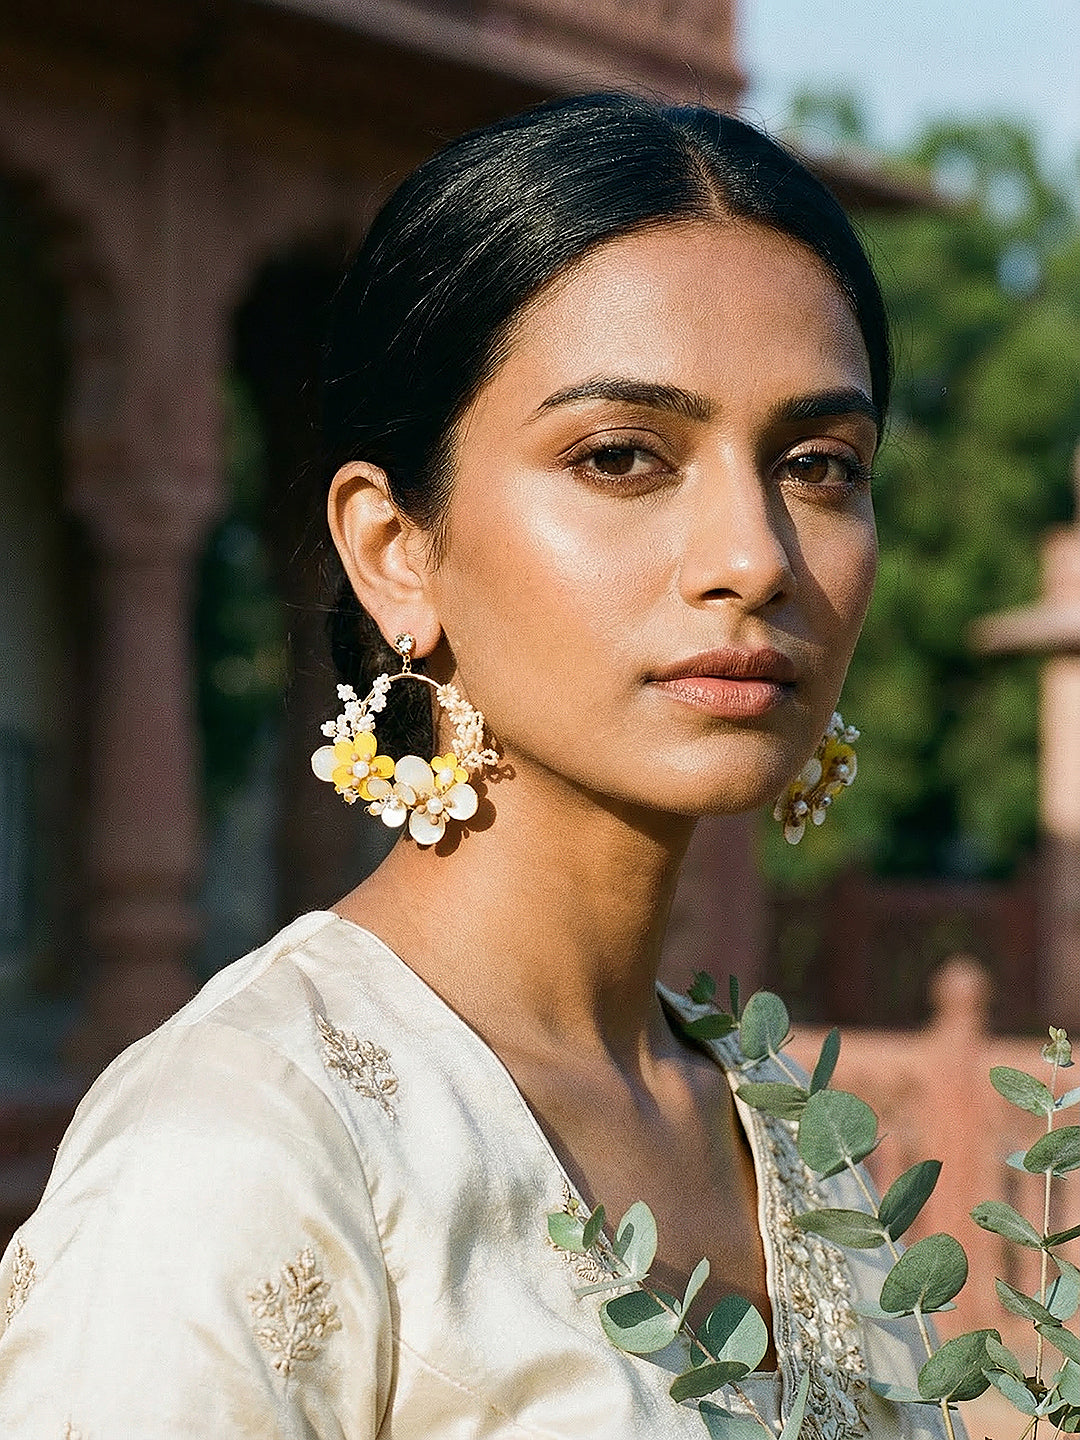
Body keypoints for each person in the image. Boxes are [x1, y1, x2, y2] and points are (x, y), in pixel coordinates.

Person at [0, 93, 958, 1439]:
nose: (753, 557)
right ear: (396, 548)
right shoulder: (248, 1145)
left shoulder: (794, 1143)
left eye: (818, 464)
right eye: (621, 456)